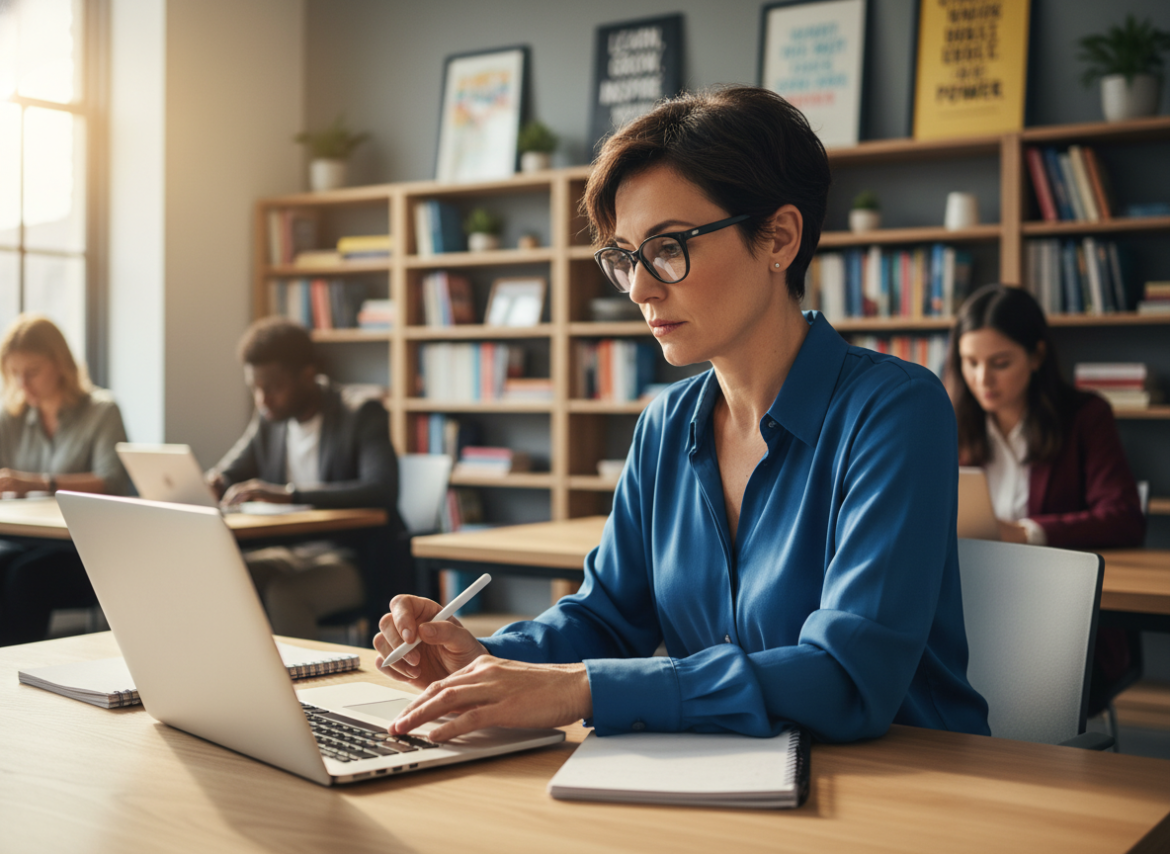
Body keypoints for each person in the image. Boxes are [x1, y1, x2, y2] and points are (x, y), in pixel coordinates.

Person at [373, 86, 990, 744]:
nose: (639, 288)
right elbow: (608, 619)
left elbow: (846, 677)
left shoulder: (895, 411)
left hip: (909, 787)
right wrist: (489, 656)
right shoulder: (667, 425)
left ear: (779, 237)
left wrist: (582, 687)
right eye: (624, 257)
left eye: (668, 247)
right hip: (726, 776)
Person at [948, 283, 1145, 713]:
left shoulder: (1085, 417)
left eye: (1000, 363)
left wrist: (1025, 533)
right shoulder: (949, 420)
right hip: (975, 601)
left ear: (1036, 357)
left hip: (1059, 614)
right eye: (971, 362)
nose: (983, 379)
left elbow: (1124, 516)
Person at [207, 317, 408, 639]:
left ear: (307, 374)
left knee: (285, 596)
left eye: (272, 388)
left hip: (353, 557)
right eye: (256, 389)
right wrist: (213, 482)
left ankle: (305, 686)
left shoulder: (360, 413)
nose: (262, 400)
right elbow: (232, 469)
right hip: (291, 550)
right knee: (223, 577)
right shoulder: (270, 419)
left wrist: (289, 495)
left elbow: (381, 489)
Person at [0, 314, 129, 645]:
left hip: (86, 548)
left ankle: (15, 676)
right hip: (26, 539)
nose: (22, 384)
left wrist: (36, 483)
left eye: (31, 372)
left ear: (60, 363)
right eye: (14, 374)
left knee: (25, 577)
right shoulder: (11, 418)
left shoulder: (101, 410)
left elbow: (111, 481)